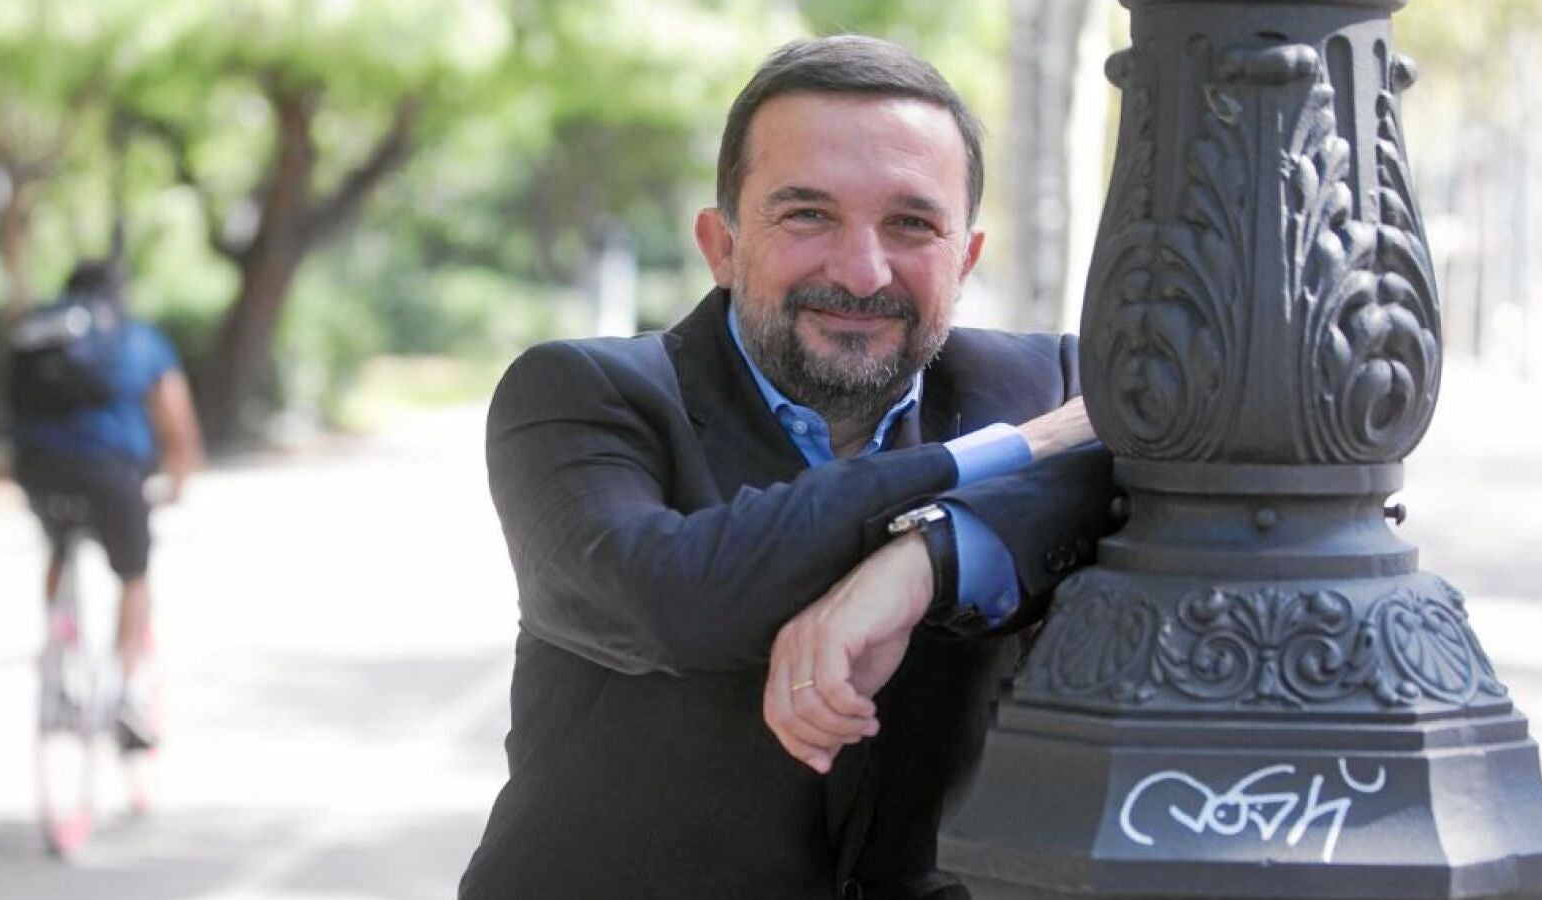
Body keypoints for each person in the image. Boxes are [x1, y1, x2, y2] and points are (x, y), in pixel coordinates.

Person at [460, 35, 1117, 900]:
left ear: (966, 257)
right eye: (808, 215)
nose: (862, 272)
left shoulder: (1047, 385)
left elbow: (1183, 469)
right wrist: (992, 460)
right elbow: (675, 596)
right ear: (720, 245)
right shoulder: (579, 396)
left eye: (911, 224)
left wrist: (930, 558)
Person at [10, 258, 203, 750]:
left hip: (37, 470)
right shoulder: (138, 339)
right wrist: (178, 484)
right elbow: (177, 422)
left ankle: (56, 653)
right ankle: (128, 691)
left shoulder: (41, 334)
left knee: (59, 546)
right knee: (134, 574)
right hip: (110, 474)